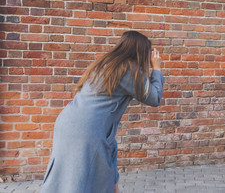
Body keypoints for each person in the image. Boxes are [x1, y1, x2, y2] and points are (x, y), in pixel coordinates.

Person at [41, 31, 164, 193]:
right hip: (87, 131)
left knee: (66, 176)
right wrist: (156, 69)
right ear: (140, 52)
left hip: (67, 123)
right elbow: (154, 98)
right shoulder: (129, 69)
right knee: (82, 181)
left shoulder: (105, 63)